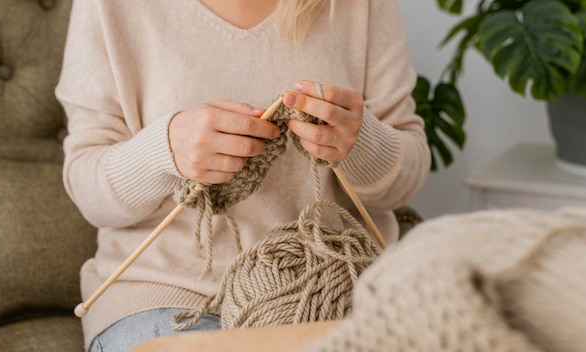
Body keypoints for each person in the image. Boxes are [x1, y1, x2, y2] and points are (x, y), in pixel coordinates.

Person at [55, 0, 431, 350]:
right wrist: (165, 149)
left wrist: (360, 141)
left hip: (332, 290)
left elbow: (407, 174)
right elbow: (88, 189)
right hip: (168, 297)